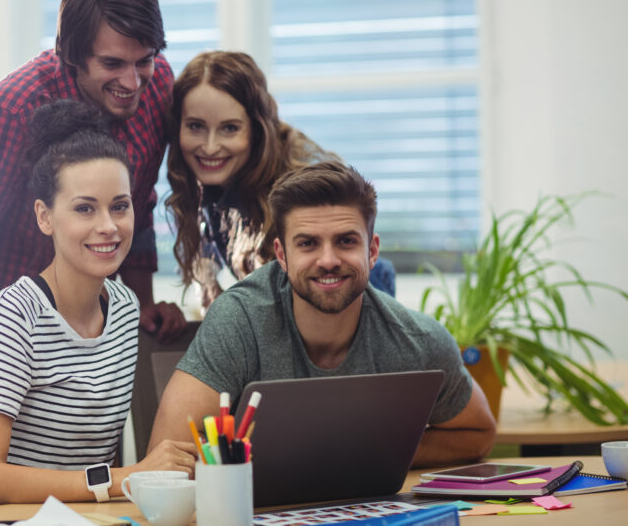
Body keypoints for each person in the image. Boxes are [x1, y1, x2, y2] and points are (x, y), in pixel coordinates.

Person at [150, 161, 496, 467]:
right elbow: (163, 460)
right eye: (308, 243)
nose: (328, 260)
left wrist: (362, 455)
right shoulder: (238, 321)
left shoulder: (417, 341)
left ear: (372, 251)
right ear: (281, 255)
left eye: (346, 241)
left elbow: (478, 433)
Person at [0, 0, 186, 374]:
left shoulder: (158, 87)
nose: (133, 81)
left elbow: (139, 202)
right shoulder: (10, 112)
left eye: (144, 60)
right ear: (72, 55)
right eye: (112, 63)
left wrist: (141, 303)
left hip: (94, 328)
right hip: (11, 336)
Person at [0, 100, 196, 510]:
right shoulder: (13, 316)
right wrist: (119, 479)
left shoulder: (123, 308)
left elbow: (96, 465)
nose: (108, 226)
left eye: (119, 206)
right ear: (44, 217)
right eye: (85, 208)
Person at [166, 50, 395, 308]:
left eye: (230, 128)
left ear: (257, 130)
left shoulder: (302, 185)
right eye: (196, 126)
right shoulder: (209, 183)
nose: (209, 147)